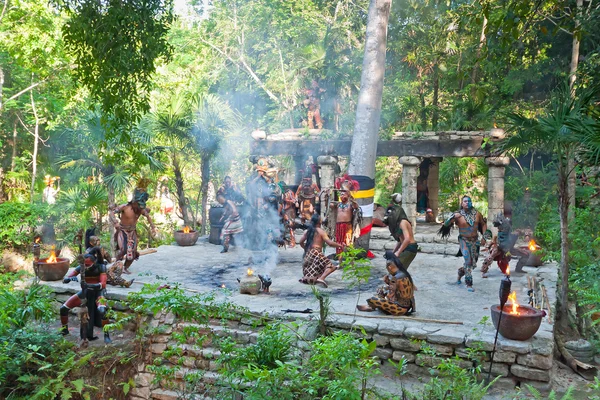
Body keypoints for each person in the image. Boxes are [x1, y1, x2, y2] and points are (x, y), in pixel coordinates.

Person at [438, 196, 490, 292]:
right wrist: (452, 218)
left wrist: (484, 237)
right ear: (462, 203)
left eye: (469, 201)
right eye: (465, 201)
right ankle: (469, 284)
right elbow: (445, 225)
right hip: (463, 240)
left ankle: (460, 271)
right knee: (468, 261)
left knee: (472, 264)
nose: (467, 203)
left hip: (475, 241)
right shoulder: (457, 215)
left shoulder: (477, 214)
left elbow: (483, 224)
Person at [60, 248, 111, 344]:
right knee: (63, 308)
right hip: (85, 292)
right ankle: (64, 330)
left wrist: (89, 285)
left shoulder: (101, 267)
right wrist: (69, 279)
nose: (85, 267)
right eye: (84, 265)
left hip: (98, 293)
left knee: (102, 311)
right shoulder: (81, 267)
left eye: (88, 265)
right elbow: (66, 278)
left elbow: (103, 284)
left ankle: (106, 334)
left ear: (94, 262)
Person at [109, 179, 157, 274]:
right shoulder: (125, 207)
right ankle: (116, 267)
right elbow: (111, 213)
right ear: (135, 201)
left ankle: (125, 268)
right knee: (123, 250)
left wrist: (153, 227)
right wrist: (115, 222)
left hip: (132, 232)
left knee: (133, 252)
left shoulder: (140, 210)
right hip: (122, 231)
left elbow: (148, 216)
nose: (140, 206)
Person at [357, 250, 415, 315]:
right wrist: (388, 283)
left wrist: (383, 292)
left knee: (373, 299)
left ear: (390, 267)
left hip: (400, 308)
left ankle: (371, 306)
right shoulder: (404, 274)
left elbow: (390, 295)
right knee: (380, 295)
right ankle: (372, 306)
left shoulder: (396, 278)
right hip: (408, 306)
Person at [298, 214, 343, 287]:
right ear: (319, 222)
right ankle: (321, 278)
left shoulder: (308, 231)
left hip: (309, 253)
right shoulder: (321, 231)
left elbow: (300, 242)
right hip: (316, 252)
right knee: (331, 266)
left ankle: (310, 278)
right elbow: (330, 243)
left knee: (319, 266)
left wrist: (306, 249)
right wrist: (339, 245)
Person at [384, 194, 418, 270]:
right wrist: (394, 252)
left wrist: (398, 252)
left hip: (410, 248)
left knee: (396, 269)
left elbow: (407, 239)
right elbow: (400, 241)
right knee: (392, 267)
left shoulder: (403, 222)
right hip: (404, 248)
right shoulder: (398, 223)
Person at [328, 175, 360, 256]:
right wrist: (329, 194)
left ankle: (352, 263)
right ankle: (340, 262)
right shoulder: (337, 204)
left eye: (344, 194)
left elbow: (356, 207)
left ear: (348, 195)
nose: (342, 195)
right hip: (338, 226)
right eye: (341, 194)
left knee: (349, 243)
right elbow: (330, 204)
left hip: (347, 226)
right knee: (339, 244)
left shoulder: (351, 204)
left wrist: (349, 194)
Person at [480, 213, 518, 278]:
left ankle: (506, 271)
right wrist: (490, 245)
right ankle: (483, 271)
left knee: (506, 258)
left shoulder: (507, 226)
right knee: (490, 257)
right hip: (499, 246)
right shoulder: (501, 228)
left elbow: (512, 236)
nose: (498, 228)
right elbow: (495, 239)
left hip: (506, 247)